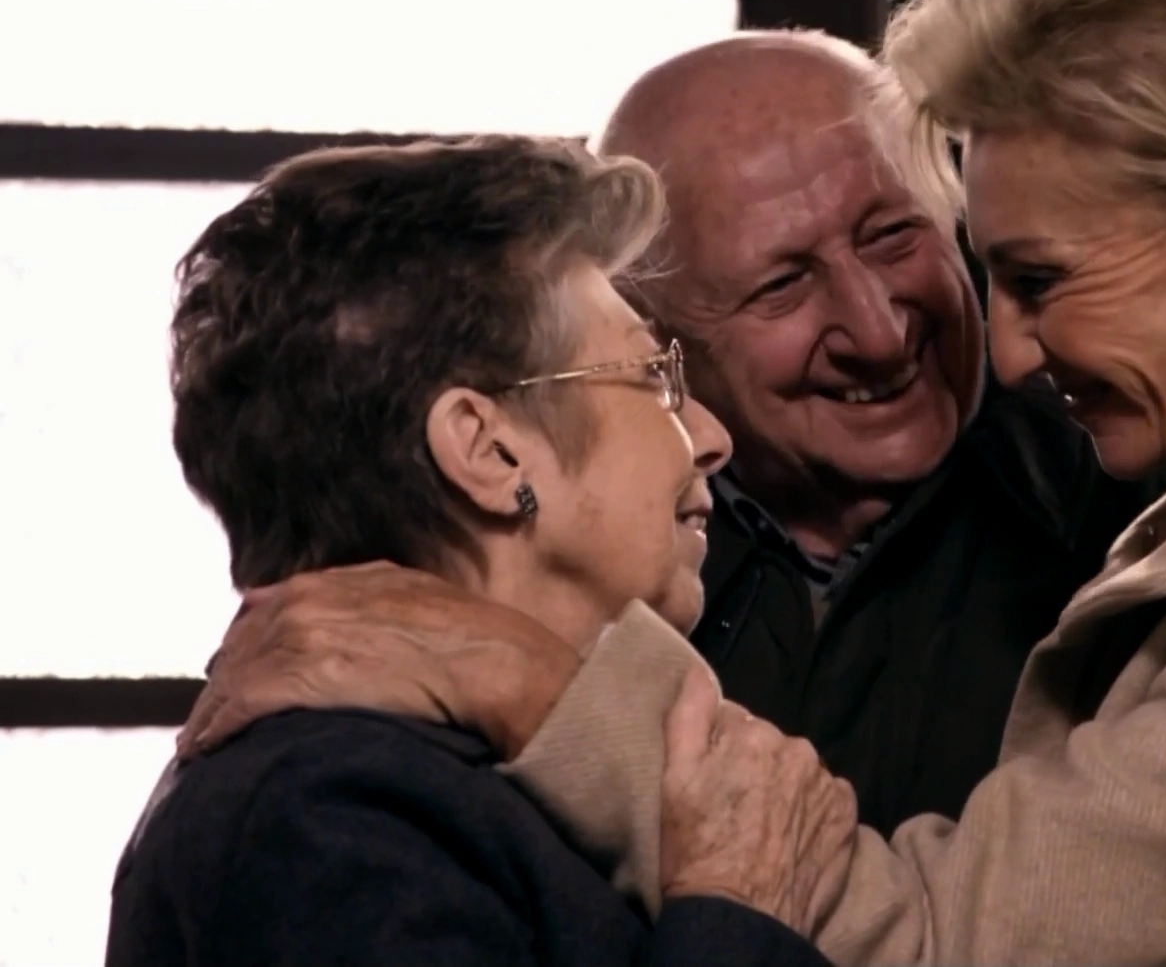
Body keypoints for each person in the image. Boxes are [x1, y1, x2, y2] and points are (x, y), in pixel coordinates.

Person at [179, 35, 1166, 965]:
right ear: (667, 330)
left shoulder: (1153, 500)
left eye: (896, 236)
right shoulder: (531, 608)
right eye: (783, 284)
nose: (876, 325)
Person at [108, 136, 848, 967]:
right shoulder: (332, 820)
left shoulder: (425, 785)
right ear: (489, 451)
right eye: (654, 377)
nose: (711, 439)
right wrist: (739, 908)